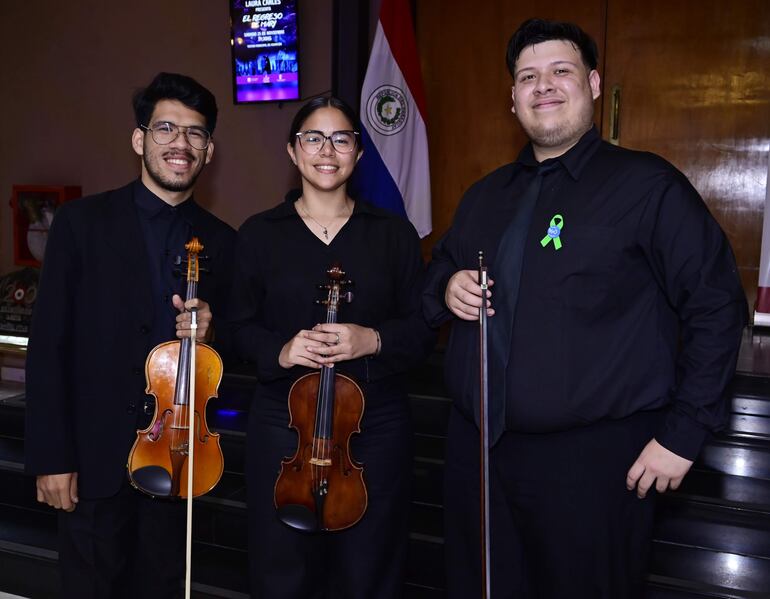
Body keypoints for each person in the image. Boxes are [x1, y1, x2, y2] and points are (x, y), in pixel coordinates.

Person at [422, 18, 748, 599]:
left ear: (595, 85)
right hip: (478, 456)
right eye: (528, 77)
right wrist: (448, 286)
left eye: (560, 71)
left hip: (594, 466)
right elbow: (434, 277)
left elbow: (717, 307)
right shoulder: (484, 195)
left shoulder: (648, 187)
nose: (543, 86)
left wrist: (685, 432)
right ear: (513, 97)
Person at [24, 72, 235, 598]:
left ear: (209, 151)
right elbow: (49, 346)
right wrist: (53, 457)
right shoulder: (79, 223)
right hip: (93, 460)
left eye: (195, 133)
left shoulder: (225, 242)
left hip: (177, 458)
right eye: (166, 128)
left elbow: (232, 349)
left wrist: (214, 328)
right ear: (139, 140)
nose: (180, 144)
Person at [227, 95, 435, 598]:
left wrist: (373, 339)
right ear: (293, 152)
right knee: (282, 567)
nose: (327, 150)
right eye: (313, 138)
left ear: (358, 154)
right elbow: (236, 330)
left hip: (374, 425)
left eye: (341, 138)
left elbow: (422, 330)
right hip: (284, 424)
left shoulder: (394, 235)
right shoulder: (258, 235)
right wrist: (282, 350)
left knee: (370, 568)